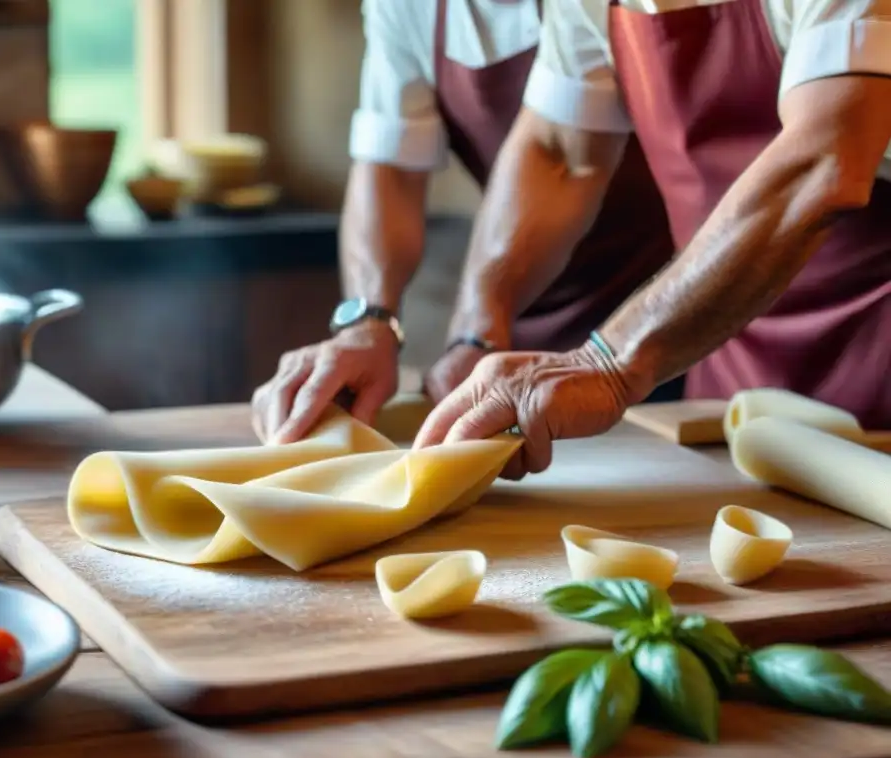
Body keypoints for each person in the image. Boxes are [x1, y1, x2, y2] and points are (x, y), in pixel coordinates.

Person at [412, 0, 891, 479]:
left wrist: (610, 361)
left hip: (876, 354)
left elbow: (824, 161)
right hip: (728, 375)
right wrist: (475, 332)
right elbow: (557, 152)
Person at [250, 0, 676, 445]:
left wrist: (477, 328)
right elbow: (390, 168)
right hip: (520, 330)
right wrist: (368, 323)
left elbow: (562, 158)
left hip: (666, 315)